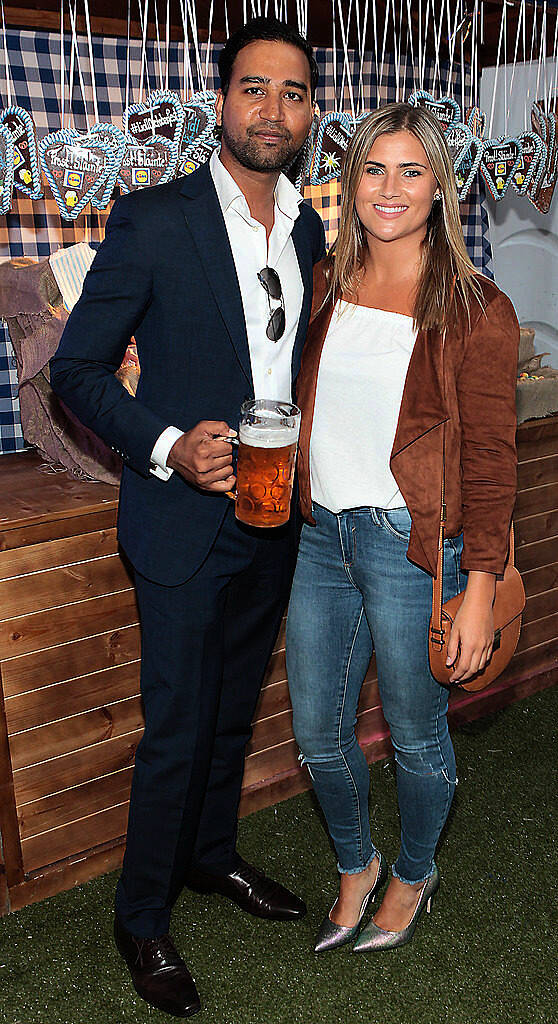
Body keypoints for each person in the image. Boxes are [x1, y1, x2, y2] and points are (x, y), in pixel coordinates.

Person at [50, 17, 325, 1018]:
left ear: (309, 113)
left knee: (232, 706)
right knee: (176, 726)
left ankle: (212, 859)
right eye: (254, 88)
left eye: (293, 93)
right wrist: (167, 443)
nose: (272, 109)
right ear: (222, 101)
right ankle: (142, 916)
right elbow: (75, 368)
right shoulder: (155, 218)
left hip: (273, 514)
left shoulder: (306, 226)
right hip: (177, 520)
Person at [286, 102, 519, 955]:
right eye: (373, 169)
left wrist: (479, 586)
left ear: (439, 187)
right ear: (351, 182)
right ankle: (356, 864)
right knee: (317, 731)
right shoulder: (326, 285)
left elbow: (493, 461)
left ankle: (415, 872)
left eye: (411, 170)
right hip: (319, 541)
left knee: (418, 736)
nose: (390, 188)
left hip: (413, 550)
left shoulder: (475, 309)